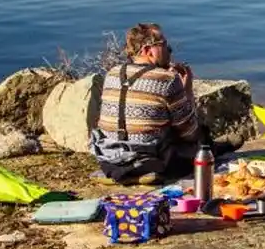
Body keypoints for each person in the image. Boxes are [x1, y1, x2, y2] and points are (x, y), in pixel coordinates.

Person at [89, 23, 222, 184]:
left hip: (110, 156)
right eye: (164, 45)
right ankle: (147, 171)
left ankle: (125, 173)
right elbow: (189, 132)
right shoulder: (166, 79)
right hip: (150, 156)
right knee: (202, 141)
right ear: (147, 50)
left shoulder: (112, 73)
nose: (170, 50)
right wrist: (186, 89)